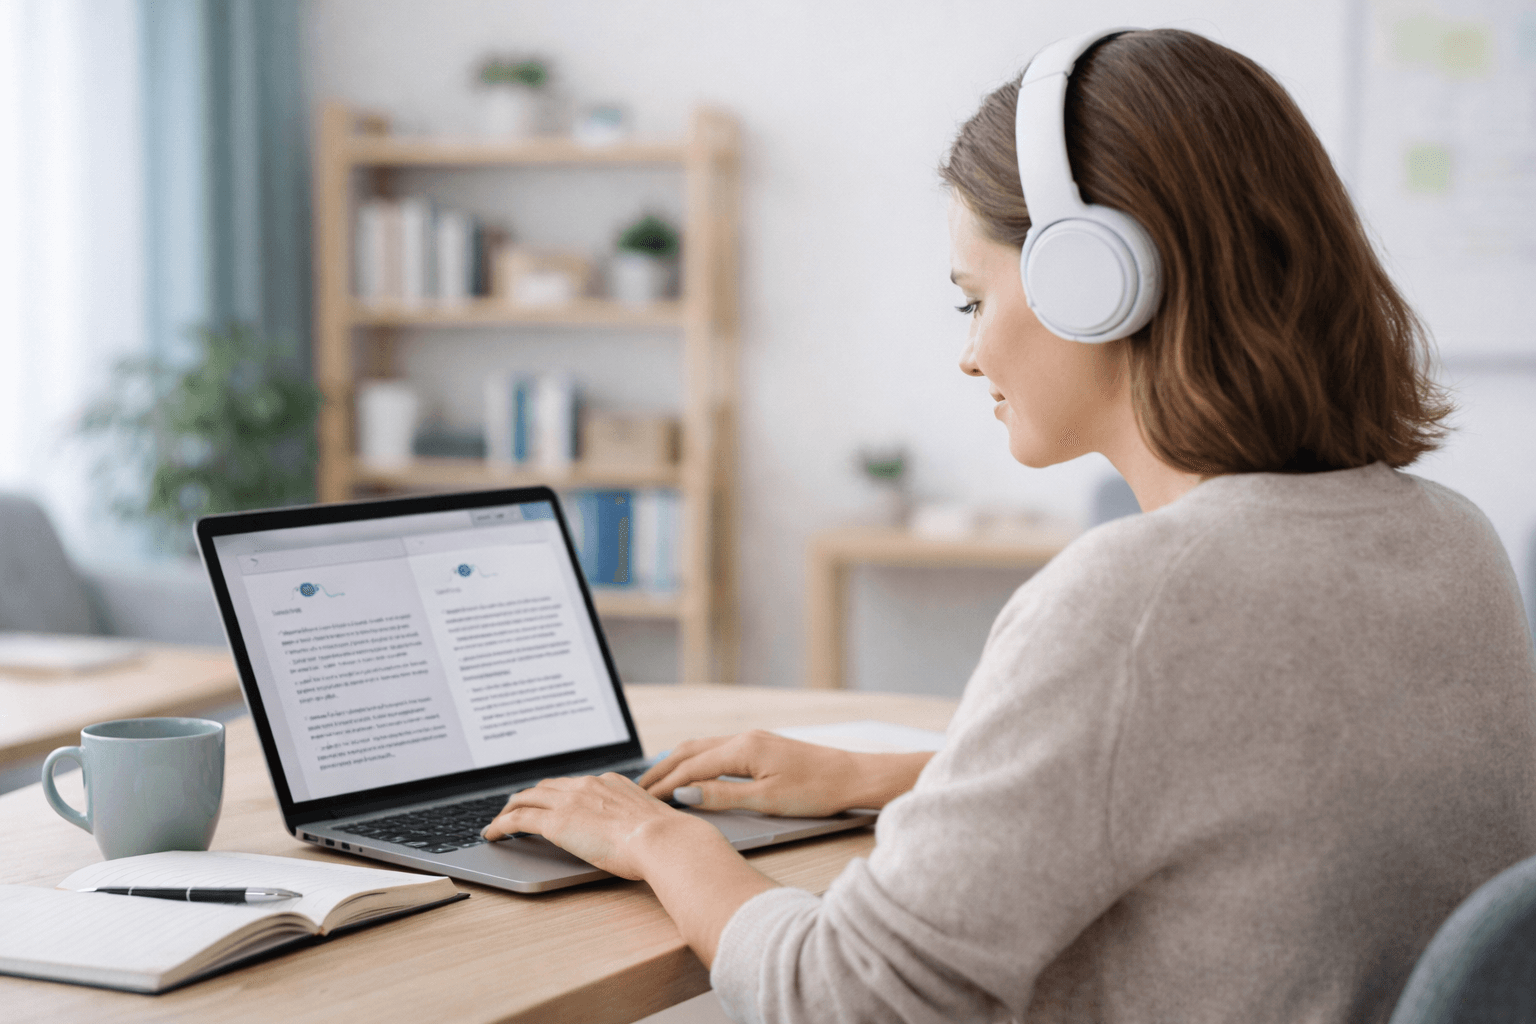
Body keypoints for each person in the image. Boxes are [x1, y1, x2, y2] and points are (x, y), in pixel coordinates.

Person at [482, 28, 1536, 1023]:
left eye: (970, 300)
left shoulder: (1136, 600)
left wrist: (660, 839)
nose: (970, 353)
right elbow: (1258, 787)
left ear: (1098, 281)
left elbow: (844, 997)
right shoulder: (1454, 539)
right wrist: (895, 776)